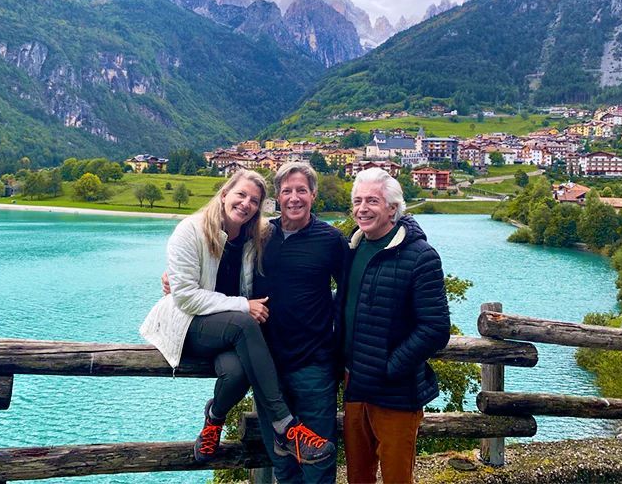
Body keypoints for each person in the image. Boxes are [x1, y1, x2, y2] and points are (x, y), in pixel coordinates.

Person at [139, 169, 334, 465]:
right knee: (244, 323)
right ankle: (285, 427)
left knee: (237, 373)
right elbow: (186, 297)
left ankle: (214, 418)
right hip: (189, 325)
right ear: (224, 193)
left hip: (229, 332)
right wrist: (243, 305)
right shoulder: (190, 230)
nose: (246, 204)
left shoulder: (254, 235)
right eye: (240, 195)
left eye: (254, 200)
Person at [337, 168, 451, 484]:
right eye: (357, 201)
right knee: (358, 477)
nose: (362, 208)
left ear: (392, 207)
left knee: (396, 478)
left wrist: (389, 368)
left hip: (396, 392)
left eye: (372, 200)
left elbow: (436, 328)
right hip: (355, 385)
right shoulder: (353, 248)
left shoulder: (420, 255)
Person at [251, 162, 349, 484]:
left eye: (301, 191)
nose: (294, 198)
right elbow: (221, 270)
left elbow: (350, 293)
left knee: (319, 461)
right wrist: (175, 279)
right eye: (287, 191)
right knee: (282, 460)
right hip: (268, 368)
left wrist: (337, 344)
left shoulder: (331, 239)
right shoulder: (261, 235)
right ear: (277, 197)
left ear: (314, 195)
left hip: (314, 366)